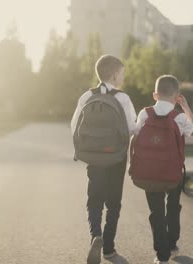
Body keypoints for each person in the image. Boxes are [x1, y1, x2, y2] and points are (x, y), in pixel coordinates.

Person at [71, 54, 137, 264]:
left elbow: (74, 125)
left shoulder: (86, 96)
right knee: (113, 203)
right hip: (116, 158)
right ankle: (108, 249)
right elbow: (131, 128)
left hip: (93, 156)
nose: (123, 77)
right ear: (116, 75)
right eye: (122, 74)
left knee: (94, 199)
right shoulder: (122, 98)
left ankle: (95, 235)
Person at [133, 75, 193, 264]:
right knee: (173, 206)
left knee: (156, 213)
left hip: (148, 171)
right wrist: (185, 106)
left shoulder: (144, 114)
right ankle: (172, 243)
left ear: (155, 94)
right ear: (177, 95)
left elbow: (136, 135)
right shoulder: (178, 117)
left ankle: (161, 256)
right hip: (173, 173)